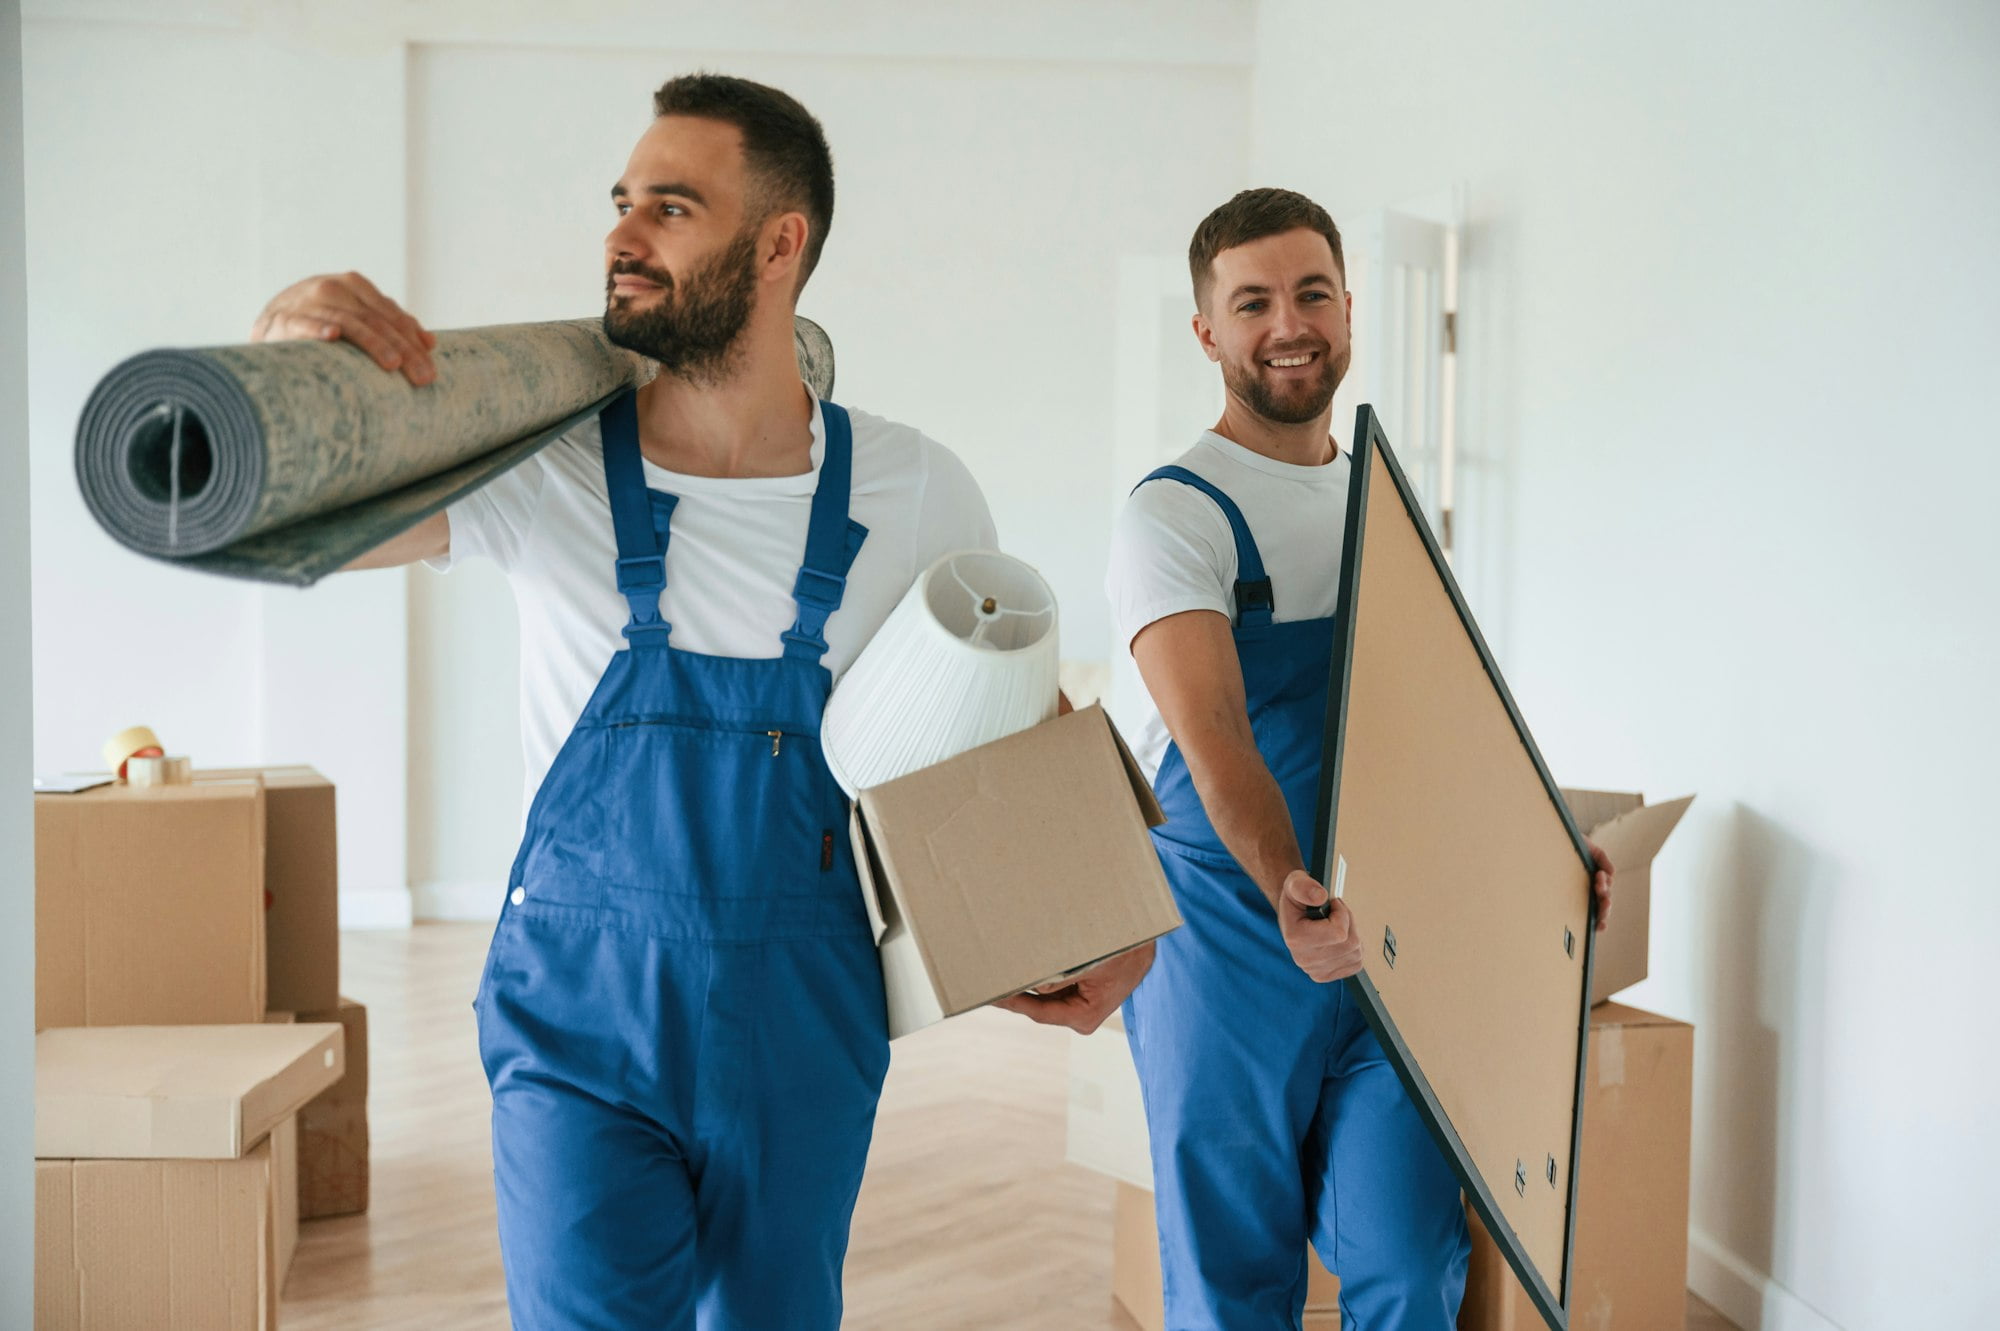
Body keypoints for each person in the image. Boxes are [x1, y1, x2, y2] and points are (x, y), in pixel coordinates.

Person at [252, 73, 1151, 1329]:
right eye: (622, 202)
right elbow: (293, 525)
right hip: (577, 1026)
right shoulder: (539, 467)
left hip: (804, 1028)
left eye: (671, 207)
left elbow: (1004, 728)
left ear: (780, 244)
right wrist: (291, 361)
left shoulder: (916, 488)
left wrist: (1106, 920)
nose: (622, 235)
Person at [1105, 187, 1614, 1330]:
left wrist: (1541, 848)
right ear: (1206, 333)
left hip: (1390, 951)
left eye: (1311, 292)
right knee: (1232, 1275)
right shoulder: (1173, 515)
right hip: (1229, 940)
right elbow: (1216, 740)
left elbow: (1439, 731)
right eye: (1252, 302)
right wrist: (1287, 888)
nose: (1288, 323)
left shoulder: (1378, 501)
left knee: (1408, 1249)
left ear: (1346, 306)